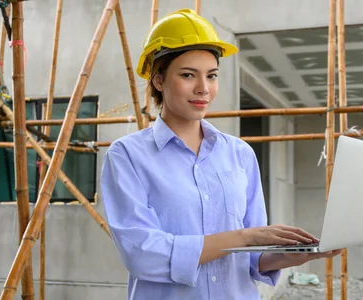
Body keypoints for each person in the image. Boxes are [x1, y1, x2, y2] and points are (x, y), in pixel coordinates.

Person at [100, 8, 342, 300]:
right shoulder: (127, 156)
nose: (203, 88)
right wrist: (244, 237)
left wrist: (297, 255)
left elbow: (253, 257)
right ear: (158, 80)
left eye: (212, 76)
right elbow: (142, 253)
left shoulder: (239, 154)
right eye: (188, 75)